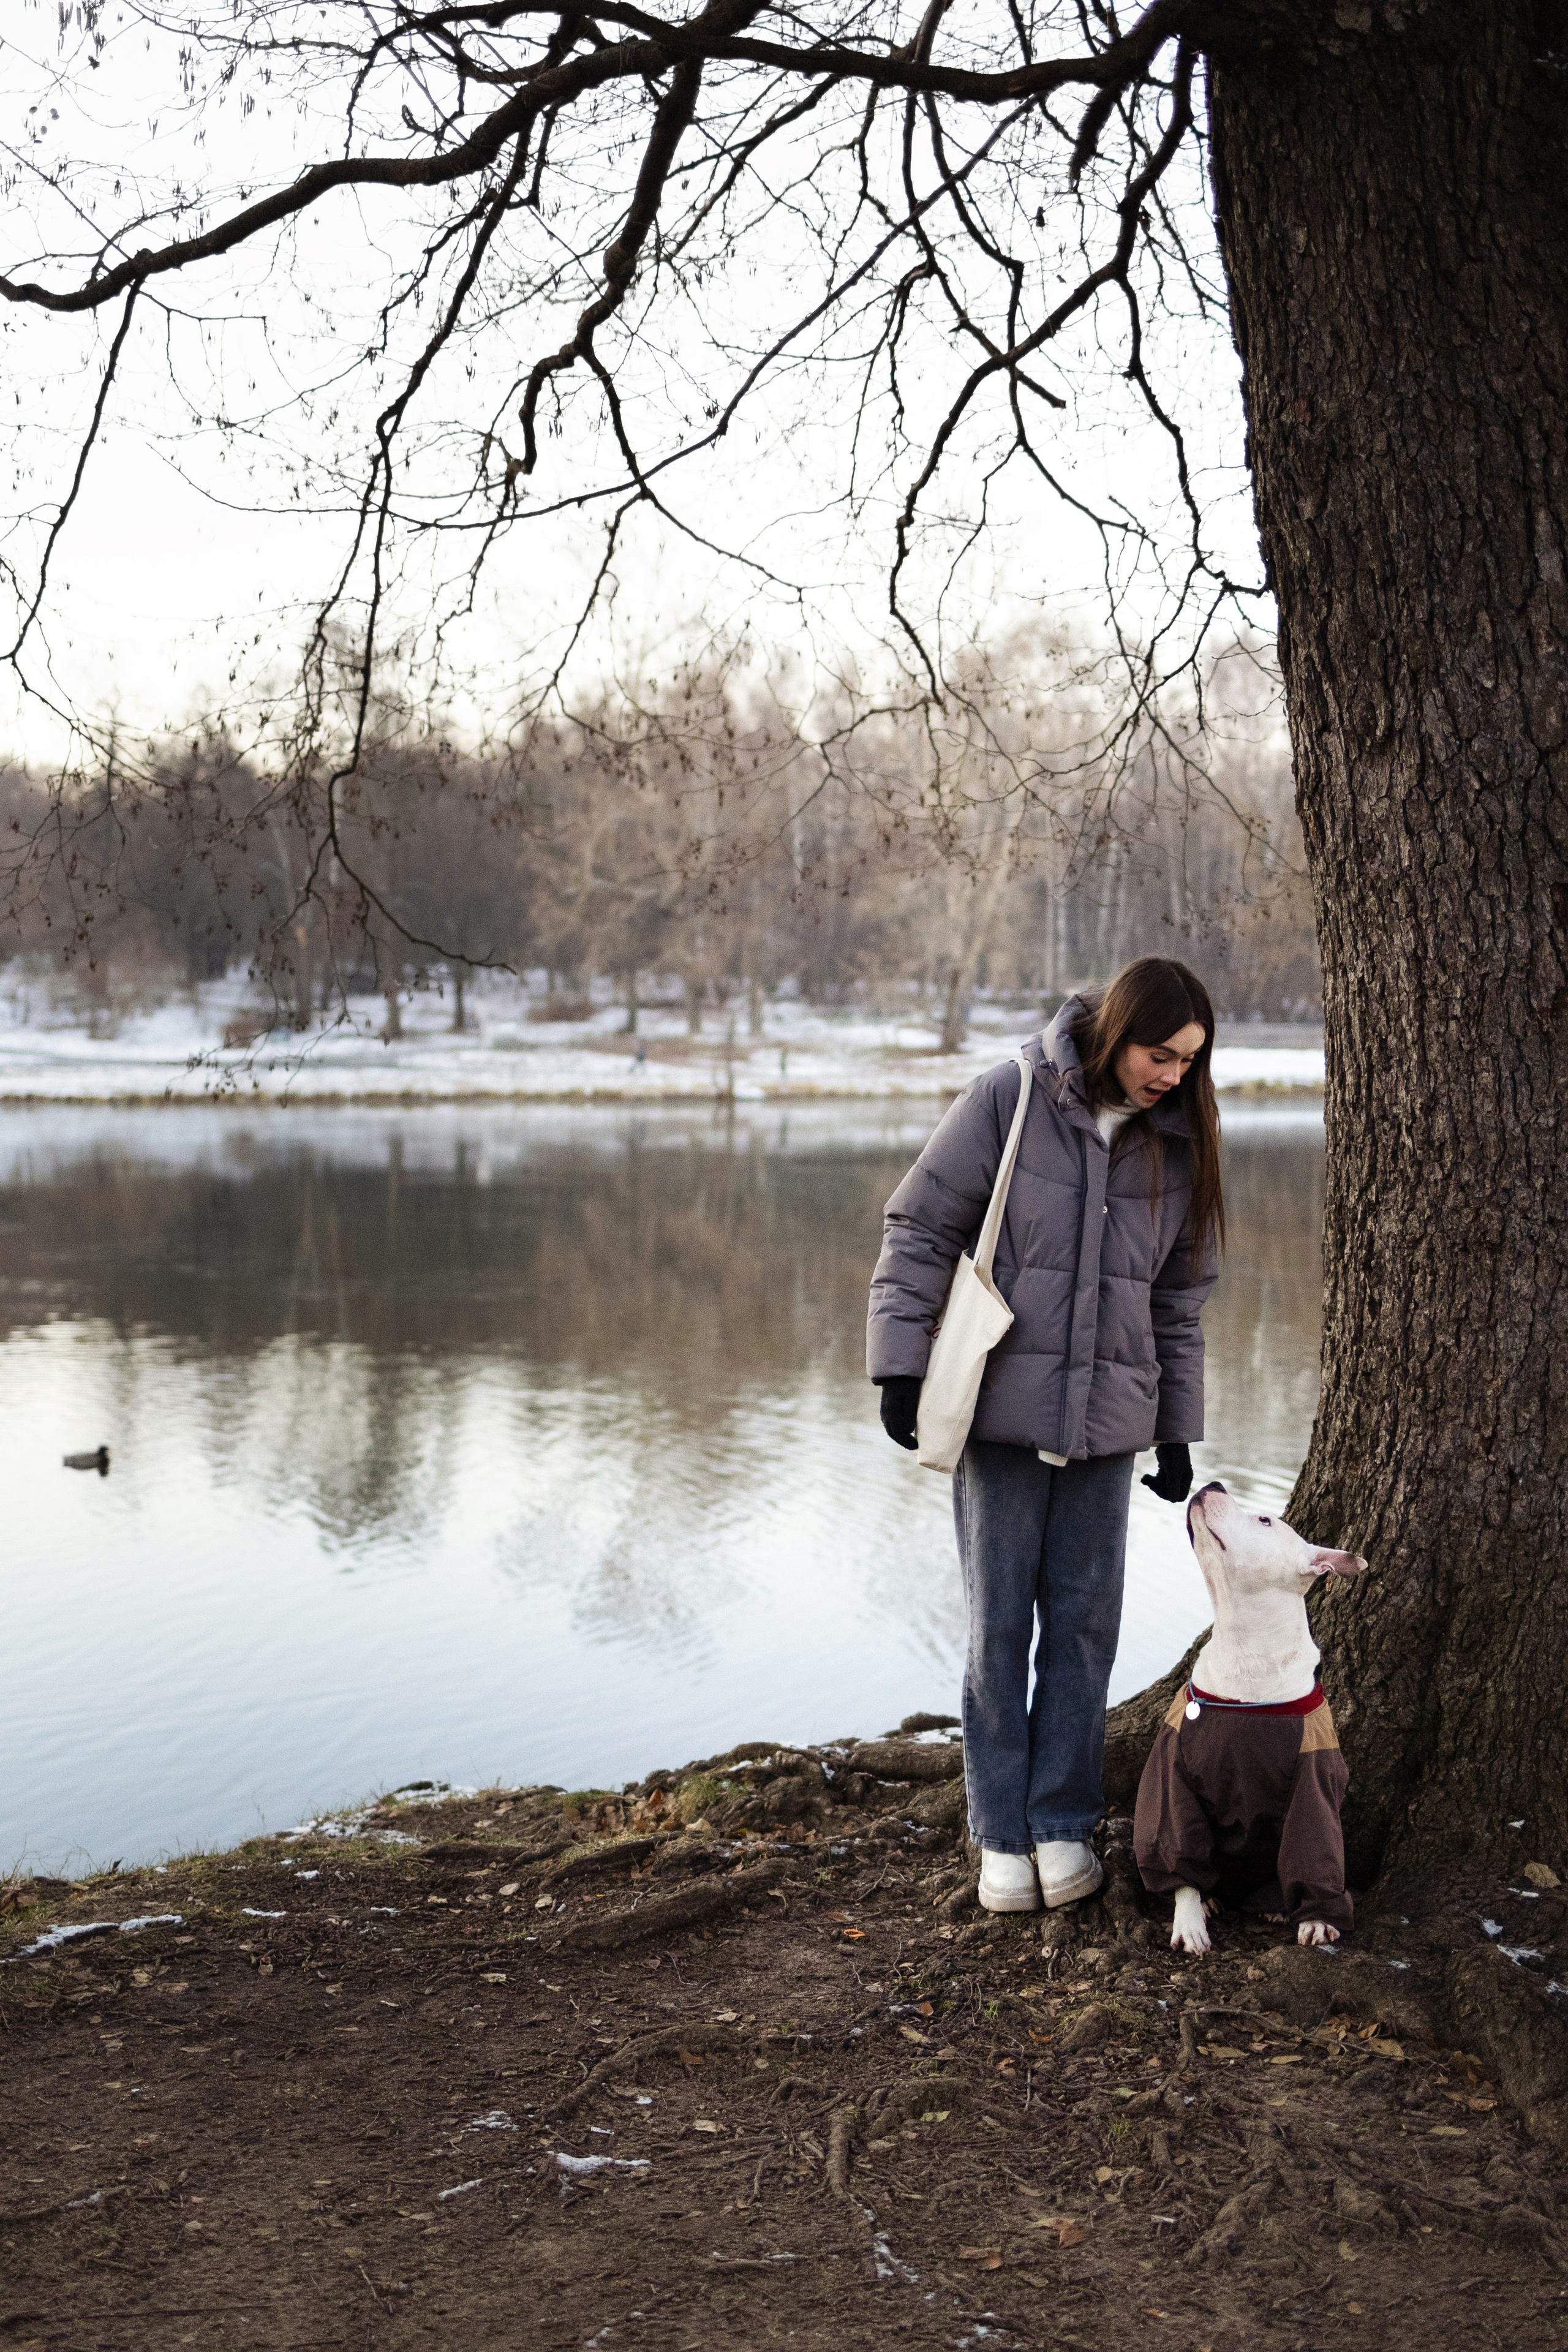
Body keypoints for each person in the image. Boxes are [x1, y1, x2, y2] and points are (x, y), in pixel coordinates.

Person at [866, 958, 1224, 1912]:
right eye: (1162, 1054)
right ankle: (999, 1833)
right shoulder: (1010, 1096)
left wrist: (1175, 1432)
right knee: (998, 1629)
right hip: (1000, 1419)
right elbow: (918, 1230)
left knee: (1083, 1627)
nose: (1174, 1076)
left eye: (1190, 1061)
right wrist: (899, 1365)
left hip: (1110, 1430)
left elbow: (1178, 1306)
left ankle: (1063, 1823)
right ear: (1117, 1031)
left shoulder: (1177, 1146)